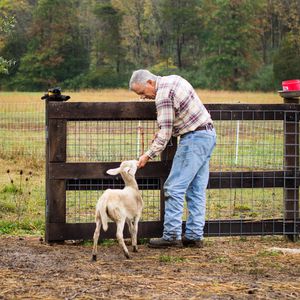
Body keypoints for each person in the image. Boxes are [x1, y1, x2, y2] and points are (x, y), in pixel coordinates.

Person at [129, 69, 216, 248]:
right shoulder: (173, 80)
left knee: (173, 187)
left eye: (142, 93)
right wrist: (165, 130)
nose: (144, 98)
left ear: (150, 83)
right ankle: (194, 235)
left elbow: (166, 132)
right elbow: (176, 119)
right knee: (196, 189)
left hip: (194, 139)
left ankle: (171, 235)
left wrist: (147, 155)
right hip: (207, 134)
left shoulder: (162, 95)